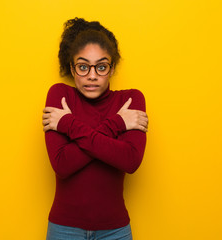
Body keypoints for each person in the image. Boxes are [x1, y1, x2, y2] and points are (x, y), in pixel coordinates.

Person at [42, 17, 149, 240]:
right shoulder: (61, 96)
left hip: (115, 230)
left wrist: (68, 123)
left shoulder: (130, 100)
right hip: (64, 229)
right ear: (72, 68)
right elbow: (62, 164)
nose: (92, 75)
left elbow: (130, 161)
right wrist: (117, 123)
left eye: (101, 67)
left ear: (111, 69)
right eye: (83, 67)